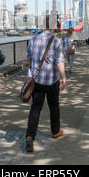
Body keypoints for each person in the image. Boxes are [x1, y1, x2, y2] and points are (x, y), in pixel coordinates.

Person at [25, 16, 67, 153]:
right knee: (54, 106)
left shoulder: (33, 39)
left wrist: (30, 72)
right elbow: (59, 61)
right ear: (53, 26)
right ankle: (55, 131)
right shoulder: (57, 41)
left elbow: (29, 59)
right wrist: (64, 77)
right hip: (52, 80)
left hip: (37, 80)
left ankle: (30, 135)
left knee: (36, 107)